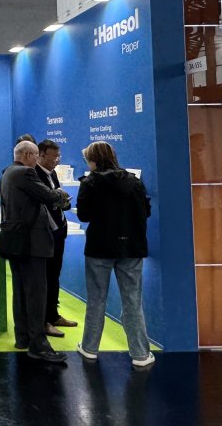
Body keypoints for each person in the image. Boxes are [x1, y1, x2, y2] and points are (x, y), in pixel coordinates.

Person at [76, 141, 155, 368]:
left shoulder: (90, 182)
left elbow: (83, 215)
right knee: (132, 301)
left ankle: (90, 348)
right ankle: (140, 354)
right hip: (131, 247)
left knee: (96, 300)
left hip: (99, 247)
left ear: (93, 159)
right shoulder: (134, 181)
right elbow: (146, 211)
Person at [0, 140, 70, 363]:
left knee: (21, 292)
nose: (37, 160)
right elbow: (50, 196)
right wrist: (61, 194)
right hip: (32, 243)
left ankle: (23, 338)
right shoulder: (25, 173)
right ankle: (38, 345)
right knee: (36, 294)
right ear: (29, 155)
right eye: (36, 155)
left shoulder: (7, 173)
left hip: (16, 241)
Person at [35, 139, 78, 338]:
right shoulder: (34, 175)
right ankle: (44, 321)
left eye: (58, 156)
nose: (57, 160)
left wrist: (61, 201)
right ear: (41, 155)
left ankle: (53, 315)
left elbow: (62, 202)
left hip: (59, 232)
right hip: (45, 235)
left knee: (54, 276)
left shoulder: (52, 174)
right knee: (45, 278)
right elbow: (47, 202)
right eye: (54, 156)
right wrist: (59, 200)